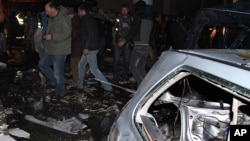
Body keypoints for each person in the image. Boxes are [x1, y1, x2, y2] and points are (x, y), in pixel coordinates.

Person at [38, 1, 72, 100]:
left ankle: (60, 93)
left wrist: (52, 36)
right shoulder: (52, 18)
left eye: (47, 11)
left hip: (60, 50)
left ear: (53, 9)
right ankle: (53, 82)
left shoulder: (64, 17)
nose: (46, 13)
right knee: (42, 64)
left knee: (58, 73)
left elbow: (67, 33)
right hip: (51, 49)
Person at [77, 4, 112, 95]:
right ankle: (79, 85)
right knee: (81, 65)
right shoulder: (89, 18)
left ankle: (108, 87)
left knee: (94, 69)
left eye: (78, 11)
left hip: (90, 48)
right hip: (92, 46)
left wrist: (86, 47)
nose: (78, 13)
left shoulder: (86, 19)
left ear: (82, 10)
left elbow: (90, 34)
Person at [118, 0, 152, 88]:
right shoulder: (149, 18)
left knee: (132, 67)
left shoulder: (138, 17)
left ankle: (141, 87)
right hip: (146, 46)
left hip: (139, 45)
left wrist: (124, 40)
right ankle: (148, 87)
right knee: (141, 68)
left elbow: (133, 31)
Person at [112, 4, 133, 83]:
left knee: (126, 60)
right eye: (123, 10)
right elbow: (114, 30)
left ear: (128, 10)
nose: (124, 12)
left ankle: (125, 75)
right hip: (118, 43)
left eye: (126, 10)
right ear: (121, 11)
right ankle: (115, 75)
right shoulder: (118, 18)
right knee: (117, 59)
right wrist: (114, 41)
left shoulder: (131, 19)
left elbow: (132, 31)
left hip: (127, 43)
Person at [68, 9, 82, 90]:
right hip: (78, 46)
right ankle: (78, 79)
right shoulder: (77, 20)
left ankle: (76, 81)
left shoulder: (74, 21)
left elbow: (74, 34)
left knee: (74, 63)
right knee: (78, 63)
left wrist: (68, 39)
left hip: (76, 46)